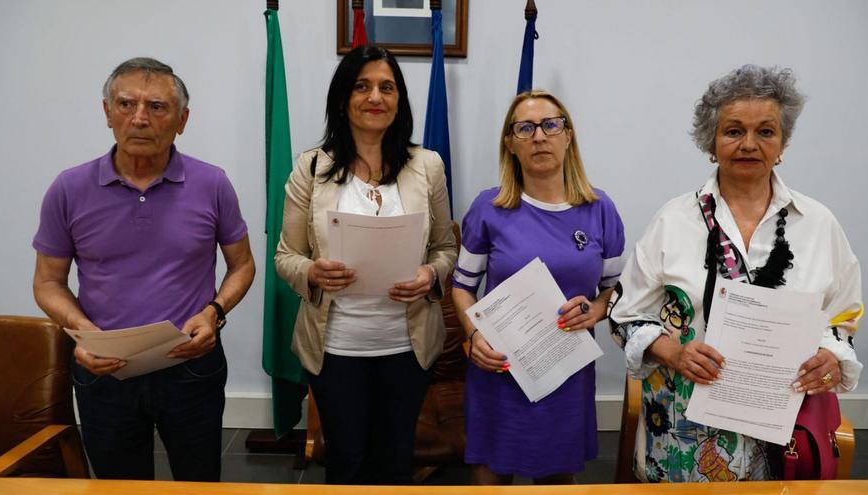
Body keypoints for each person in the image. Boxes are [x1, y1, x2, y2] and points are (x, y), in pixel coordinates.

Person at [608, 64, 863, 482]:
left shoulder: (819, 225)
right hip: (680, 443)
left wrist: (831, 357)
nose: (749, 144)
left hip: (785, 440)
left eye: (765, 131)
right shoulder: (673, 221)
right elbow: (623, 315)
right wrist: (673, 352)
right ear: (711, 142)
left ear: (782, 143)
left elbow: (843, 318)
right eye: (733, 131)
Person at [32, 57, 255, 481]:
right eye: (126, 104)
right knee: (119, 487)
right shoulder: (69, 188)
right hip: (104, 368)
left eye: (157, 106)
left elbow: (242, 265)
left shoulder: (213, 184)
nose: (139, 118)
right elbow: (47, 282)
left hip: (191, 364)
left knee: (199, 484)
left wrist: (215, 313)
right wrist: (82, 331)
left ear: (182, 119)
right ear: (106, 112)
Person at [274, 45, 457, 485]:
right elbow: (286, 256)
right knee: (347, 461)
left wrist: (431, 275)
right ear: (343, 99)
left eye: (387, 87)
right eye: (362, 86)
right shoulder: (312, 168)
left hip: (407, 346)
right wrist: (313, 272)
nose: (375, 96)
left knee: (396, 461)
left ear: (399, 101)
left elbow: (446, 248)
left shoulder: (427, 166)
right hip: (336, 348)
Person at [452, 90, 625, 484]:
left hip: (565, 369)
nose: (539, 136)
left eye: (550, 125)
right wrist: (473, 334)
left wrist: (596, 310)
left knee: (557, 480)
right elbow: (462, 287)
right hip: (499, 368)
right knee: (492, 477)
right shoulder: (488, 207)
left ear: (568, 136)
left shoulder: (600, 209)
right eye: (525, 128)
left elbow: (615, 289)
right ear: (510, 144)